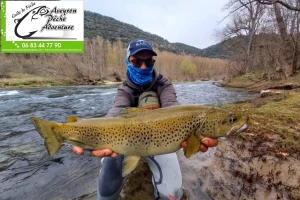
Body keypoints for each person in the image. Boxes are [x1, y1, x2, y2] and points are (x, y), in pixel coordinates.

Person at [72, 39, 218, 200]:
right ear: (128, 61)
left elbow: (174, 108)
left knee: (173, 195)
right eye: (137, 61)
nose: (143, 66)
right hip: (125, 141)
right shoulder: (124, 90)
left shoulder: (164, 85)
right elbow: (114, 114)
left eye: (148, 61)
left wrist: (191, 134)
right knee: (106, 192)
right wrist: (88, 132)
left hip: (160, 140)